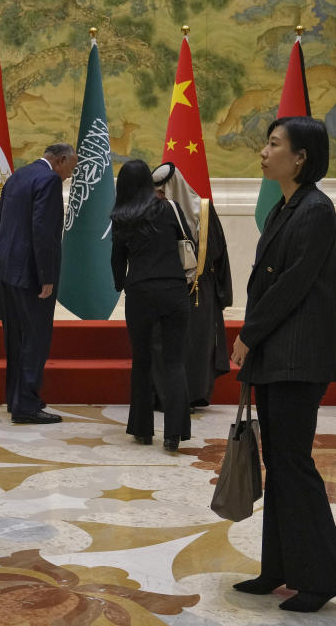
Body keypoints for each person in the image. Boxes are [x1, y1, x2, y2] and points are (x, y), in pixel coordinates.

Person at [230, 116, 336, 612]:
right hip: (279, 356)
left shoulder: (316, 210)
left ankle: (324, 578)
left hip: (297, 359)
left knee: (294, 466)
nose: (264, 151)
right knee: (278, 465)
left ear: (300, 157)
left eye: (274, 144)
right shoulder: (288, 207)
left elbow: (291, 286)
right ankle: (280, 567)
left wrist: (247, 336)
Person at [0, 143, 77, 424]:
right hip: (30, 275)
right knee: (35, 339)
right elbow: (44, 232)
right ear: (60, 160)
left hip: (6, 270)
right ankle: (26, 405)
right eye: (71, 169)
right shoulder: (49, 179)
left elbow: (3, 221)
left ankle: (14, 397)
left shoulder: (19, 175)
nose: (68, 176)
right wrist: (47, 277)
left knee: (14, 338)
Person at [110, 160, 193, 452]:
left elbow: (117, 264)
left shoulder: (121, 216)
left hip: (139, 293)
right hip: (173, 290)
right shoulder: (169, 208)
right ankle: (174, 434)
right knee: (173, 361)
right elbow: (189, 241)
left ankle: (143, 430)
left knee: (142, 361)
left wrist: (122, 284)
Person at [150, 162, 233, 407]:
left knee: (196, 344)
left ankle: (193, 394)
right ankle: (165, 396)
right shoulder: (157, 211)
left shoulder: (204, 211)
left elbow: (219, 253)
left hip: (199, 290)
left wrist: (221, 292)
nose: (158, 196)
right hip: (167, 289)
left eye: (162, 191)